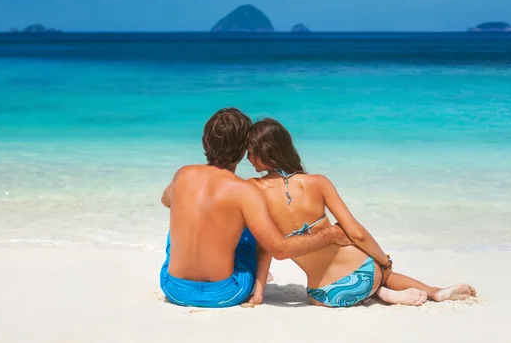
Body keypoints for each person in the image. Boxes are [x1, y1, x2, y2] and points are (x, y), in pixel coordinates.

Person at [245, 118, 476, 308]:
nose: (248, 158)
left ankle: (380, 294)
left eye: (251, 151)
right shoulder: (318, 182)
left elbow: (265, 248)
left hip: (326, 295)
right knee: (380, 269)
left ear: (265, 153)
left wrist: (259, 294)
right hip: (365, 274)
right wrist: (384, 263)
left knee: (314, 292)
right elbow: (357, 233)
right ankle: (432, 292)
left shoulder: (254, 190)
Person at [159, 108, 352, 308]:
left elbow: (166, 201)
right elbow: (279, 249)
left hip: (174, 289)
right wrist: (331, 234)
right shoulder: (244, 191)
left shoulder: (183, 174)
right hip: (225, 293)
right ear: (243, 151)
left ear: (203, 142)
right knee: (249, 230)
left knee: (181, 225)